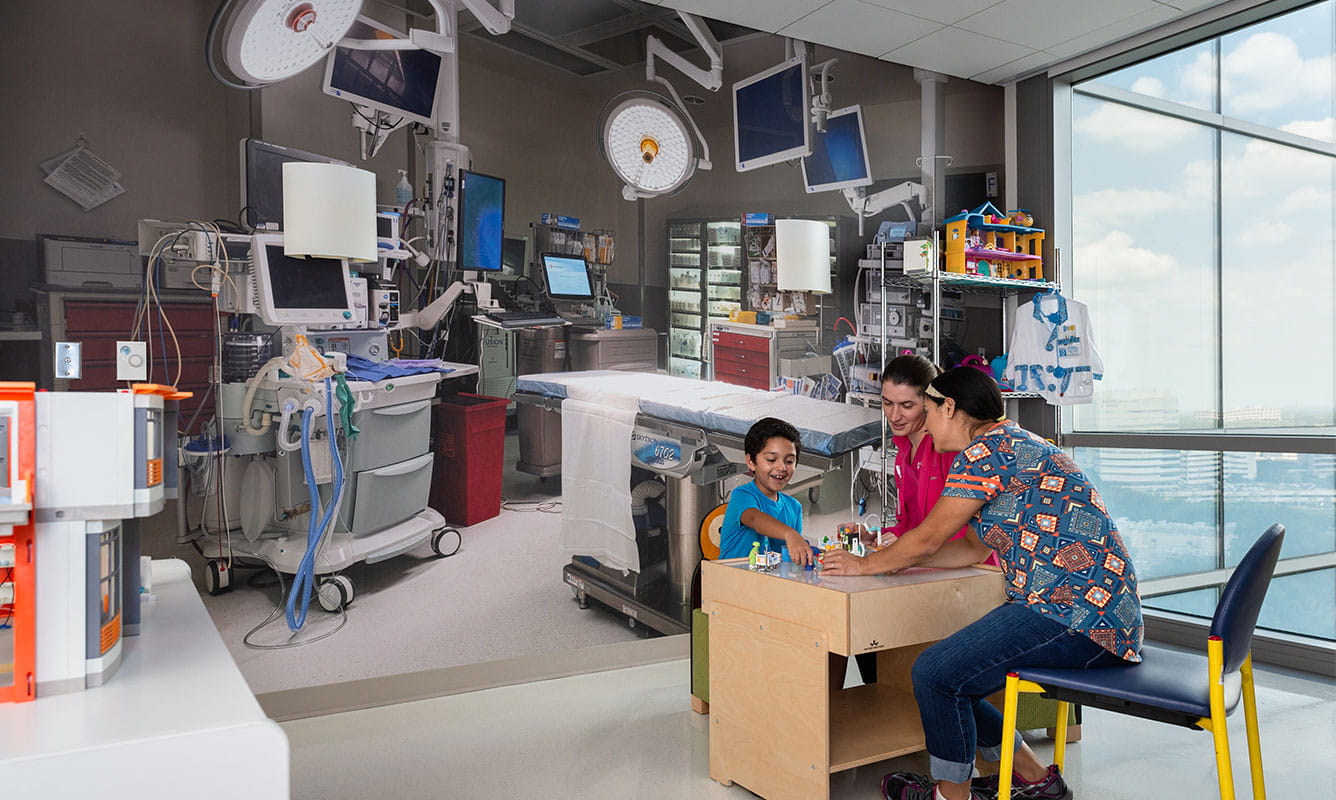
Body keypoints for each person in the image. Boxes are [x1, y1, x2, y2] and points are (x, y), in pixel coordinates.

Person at [822, 368, 1142, 800]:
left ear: (948, 408)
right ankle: (1036, 780)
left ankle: (950, 795)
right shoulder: (1014, 443)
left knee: (935, 673)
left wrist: (866, 567)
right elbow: (970, 548)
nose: (925, 425)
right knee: (956, 674)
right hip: (1094, 612)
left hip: (1075, 616)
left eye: (927, 411)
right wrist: (892, 563)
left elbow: (930, 537)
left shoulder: (982, 453)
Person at [877, 355, 996, 567]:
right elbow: (913, 527)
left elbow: (963, 543)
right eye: (887, 403)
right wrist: (881, 538)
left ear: (933, 404)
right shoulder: (904, 449)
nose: (894, 416)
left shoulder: (958, 453)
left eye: (906, 405)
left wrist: (870, 563)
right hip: (936, 564)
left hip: (969, 572)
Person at [718, 417, 813, 567]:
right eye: (771, 459)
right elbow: (754, 519)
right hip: (734, 583)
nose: (781, 467)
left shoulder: (794, 507)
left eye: (789, 461)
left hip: (770, 583)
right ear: (751, 462)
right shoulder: (742, 495)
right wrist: (789, 534)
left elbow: (792, 556)